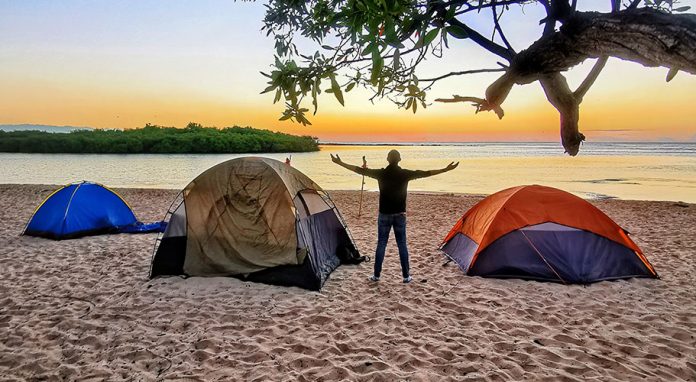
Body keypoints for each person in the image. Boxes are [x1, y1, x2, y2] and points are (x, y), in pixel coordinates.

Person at [330, 150, 459, 283]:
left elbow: (358, 170)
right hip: (400, 215)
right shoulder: (405, 174)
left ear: (387, 159)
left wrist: (339, 163)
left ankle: (376, 276)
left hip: (384, 214)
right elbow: (425, 173)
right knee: (402, 245)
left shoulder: (381, 173)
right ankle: (406, 276)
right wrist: (445, 169)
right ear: (400, 159)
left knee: (381, 244)